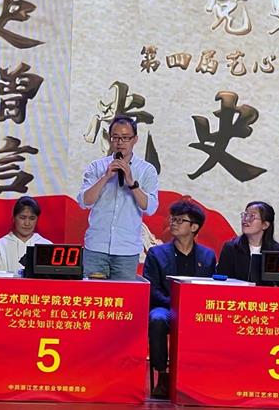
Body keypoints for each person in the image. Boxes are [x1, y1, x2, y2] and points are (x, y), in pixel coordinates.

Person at [143, 200, 216, 399]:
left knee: (213, 321)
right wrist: (176, 304)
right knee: (157, 320)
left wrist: (191, 306)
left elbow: (209, 289)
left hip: (195, 309)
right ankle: (163, 375)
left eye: (179, 220)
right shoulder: (157, 253)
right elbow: (152, 288)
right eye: (172, 219)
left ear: (194, 227)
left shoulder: (208, 256)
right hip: (165, 306)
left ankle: (198, 375)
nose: (173, 223)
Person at [76, 116, 159, 280]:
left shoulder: (146, 170)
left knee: (123, 295)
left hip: (127, 251)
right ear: (110, 139)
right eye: (115, 137)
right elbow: (84, 202)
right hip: (96, 247)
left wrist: (131, 182)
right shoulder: (97, 167)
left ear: (135, 139)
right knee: (93, 294)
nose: (120, 142)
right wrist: (106, 177)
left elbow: (150, 208)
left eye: (125, 138)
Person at [217, 201, 279, 282]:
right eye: (245, 215)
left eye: (252, 216)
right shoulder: (231, 248)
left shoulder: (276, 250)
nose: (245, 220)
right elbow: (223, 281)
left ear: (265, 225)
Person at [0, 196, 52, 272]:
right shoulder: (0, 245)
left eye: (32, 218)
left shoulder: (46, 245)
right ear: (14, 218)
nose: (27, 223)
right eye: (22, 218)